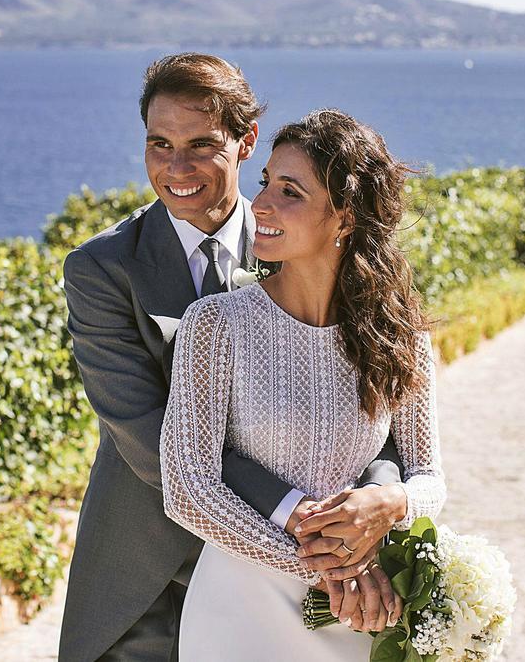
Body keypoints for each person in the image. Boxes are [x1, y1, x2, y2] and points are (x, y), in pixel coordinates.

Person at [59, 54, 411, 661]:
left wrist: (373, 507)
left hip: (292, 578)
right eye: (159, 145)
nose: (177, 168)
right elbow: (150, 439)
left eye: (201, 144)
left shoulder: (300, 233)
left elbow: (374, 407)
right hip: (150, 576)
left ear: (245, 143)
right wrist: (307, 532)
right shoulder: (101, 270)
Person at [160, 108, 447, 660]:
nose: (261, 203)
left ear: (344, 217)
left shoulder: (400, 335)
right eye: (265, 182)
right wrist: (328, 569)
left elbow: (430, 479)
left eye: (290, 191)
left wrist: (391, 503)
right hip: (244, 608)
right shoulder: (216, 325)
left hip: (355, 614)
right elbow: (188, 488)